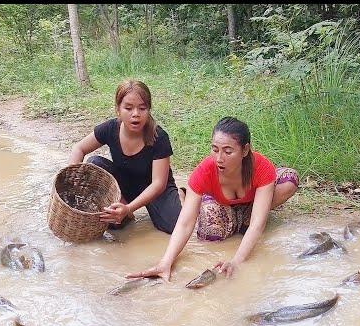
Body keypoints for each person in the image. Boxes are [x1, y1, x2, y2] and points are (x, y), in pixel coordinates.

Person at [127, 116, 298, 280]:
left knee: (290, 180)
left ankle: (245, 214)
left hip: (254, 199)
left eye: (228, 151)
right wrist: (166, 261)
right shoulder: (204, 171)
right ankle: (194, 199)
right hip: (220, 202)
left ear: (245, 150)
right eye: (215, 150)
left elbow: (257, 225)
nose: (219, 158)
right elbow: (185, 224)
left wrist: (236, 261)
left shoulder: (261, 167)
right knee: (210, 233)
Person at [68, 79, 183, 234]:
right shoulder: (109, 128)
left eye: (142, 108)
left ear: (148, 110)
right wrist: (70, 182)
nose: (136, 114)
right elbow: (79, 148)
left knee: (174, 226)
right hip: (125, 185)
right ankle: (125, 214)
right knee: (94, 163)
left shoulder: (159, 137)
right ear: (118, 110)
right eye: (128, 108)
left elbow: (158, 183)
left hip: (155, 189)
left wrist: (129, 207)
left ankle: (181, 194)